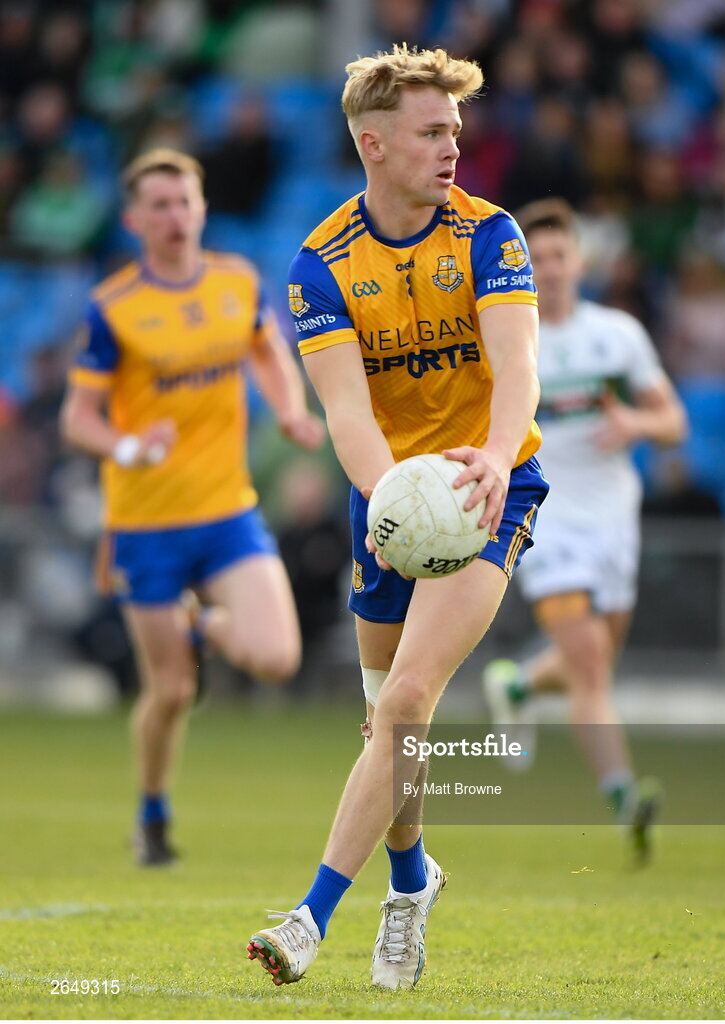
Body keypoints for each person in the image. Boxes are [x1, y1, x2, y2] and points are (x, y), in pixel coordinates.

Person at [246, 45, 547, 990]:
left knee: (409, 701)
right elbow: (345, 412)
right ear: (373, 144)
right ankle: (412, 880)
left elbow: (518, 372)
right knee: (387, 724)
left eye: (455, 130)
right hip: (391, 496)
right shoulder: (319, 264)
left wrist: (492, 462)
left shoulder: (491, 233)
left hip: (486, 487)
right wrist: (391, 503)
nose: (452, 147)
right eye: (431, 133)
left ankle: (309, 918)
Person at [59, 148, 324, 866]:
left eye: (186, 203)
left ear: (203, 210)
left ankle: (202, 621)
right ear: (134, 219)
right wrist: (127, 448)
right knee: (170, 691)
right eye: (161, 206)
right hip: (144, 524)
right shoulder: (114, 306)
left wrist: (291, 412)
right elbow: (77, 418)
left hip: (225, 510)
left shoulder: (237, 281)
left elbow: (268, 352)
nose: (176, 217)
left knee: (275, 657)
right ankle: (151, 816)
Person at [482, 198, 687, 863]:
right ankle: (624, 795)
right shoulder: (509, 337)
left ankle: (514, 687)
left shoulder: (617, 335)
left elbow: (673, 423)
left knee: (589, 658)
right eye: (534, 259)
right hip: (544, 516)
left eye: (558, 256)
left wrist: (635, 426)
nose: (548, 269)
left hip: (612, 520)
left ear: (579, 260)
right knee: (590, 665)